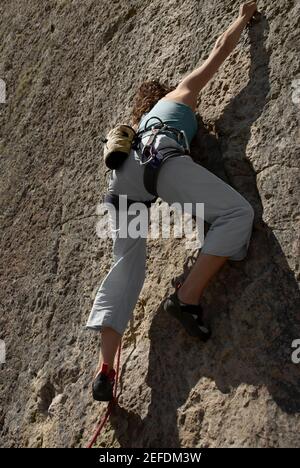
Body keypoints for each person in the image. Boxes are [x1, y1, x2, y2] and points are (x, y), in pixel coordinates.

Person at [86, 1, 258, 401]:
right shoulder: (179, 97)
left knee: (124, 267)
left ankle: (105, 368)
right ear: (164, 95)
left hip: (124, 181)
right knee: (237, 213)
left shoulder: (136, 127)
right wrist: (243, 17)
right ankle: (186, 299)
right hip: (160, 161)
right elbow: (218, 50)